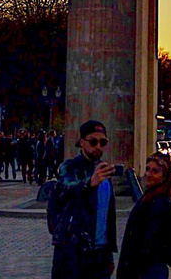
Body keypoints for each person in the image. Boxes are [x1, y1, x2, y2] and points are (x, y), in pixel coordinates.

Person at [50, 119, 119, 279]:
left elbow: (106, 215)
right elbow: (64, 189)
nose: (98, 147)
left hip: (100, 254)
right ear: (82, 142)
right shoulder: (70, 166)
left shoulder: (103, 169)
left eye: (103, 142)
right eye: (93, 142)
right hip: (73, 253)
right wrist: (89, 183)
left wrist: (109, 254)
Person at [117, 152, 171, 279]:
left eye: (155, 171)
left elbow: (148, 245)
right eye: (147, 169)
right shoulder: (150, 197)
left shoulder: (159, 203)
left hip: (147, 271)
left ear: (164, 176)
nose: (148, 174)